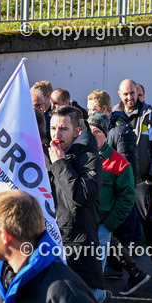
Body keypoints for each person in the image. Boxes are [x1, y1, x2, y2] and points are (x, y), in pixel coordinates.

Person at [48, 106, 104, 292]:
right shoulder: (47, 154)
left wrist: (60, 163)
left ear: (77, 131)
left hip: (79, 248)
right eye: (53, 128)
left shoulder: (90, 157)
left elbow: (82, 196)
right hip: (51, 243)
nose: (57, 134)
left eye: (63, 129)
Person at [87, 113, 143, 297]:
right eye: (88, 131)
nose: (91, 135)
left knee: (95, 277)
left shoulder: (119, 164)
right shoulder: (79, 156)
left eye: (97, 132)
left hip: (101, 229)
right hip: (79, 226)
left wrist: (107, 225)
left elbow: (126, 199)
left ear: (106, 134)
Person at [118, 79, 152, 275]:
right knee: (117, 223)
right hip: (120, 178)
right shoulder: (115, 114)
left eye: (132, 93)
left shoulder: (150, 115)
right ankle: (116, 266)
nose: (130, 97)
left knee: (149, 222)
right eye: (126, 94)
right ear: (120, 94)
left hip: (142, 179)